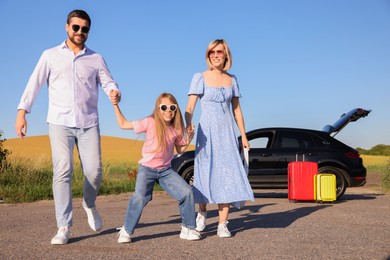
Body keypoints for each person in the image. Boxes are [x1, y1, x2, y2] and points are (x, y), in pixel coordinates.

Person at [15, 9, 121, 245]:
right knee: (62, 170)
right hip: (59, 122)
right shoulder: (50, 55)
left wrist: (114, 91)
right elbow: (34, 83)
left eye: (84, 29)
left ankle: (89, 203)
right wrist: (22, 112)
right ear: (66, 27)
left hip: (88, 123)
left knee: (94, 173)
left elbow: (108, 81)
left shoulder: (96, 58)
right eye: (76, 27)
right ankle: (64, 226)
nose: (80, 32)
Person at [185, 39, 254, 238]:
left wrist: (244, 136)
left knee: (227, 175)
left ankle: (223, 224)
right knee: (204, 173)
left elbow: (237, 110)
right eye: (212, 52)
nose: (216, 55)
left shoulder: (232, 80)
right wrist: (188, 122)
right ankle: (202, 213)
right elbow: (190, 107)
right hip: (206, 134)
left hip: (226, 134)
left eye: (219, 52)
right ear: (208, 55)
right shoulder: (200, 77)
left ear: (226, 55)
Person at [114, 92, 201, 243]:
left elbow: (179, 150)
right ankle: (126, 230)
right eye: (164, 107)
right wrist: (115, 104)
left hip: (166, 171)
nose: (168, 110)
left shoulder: (176, 129)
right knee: (140, 197)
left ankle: (188, 227)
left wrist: (189, 138)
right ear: (157, 109)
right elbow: (123, 124)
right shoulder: (149, 121)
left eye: (172, 107)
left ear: (176, 110)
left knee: (186, 192)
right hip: (147, 169)